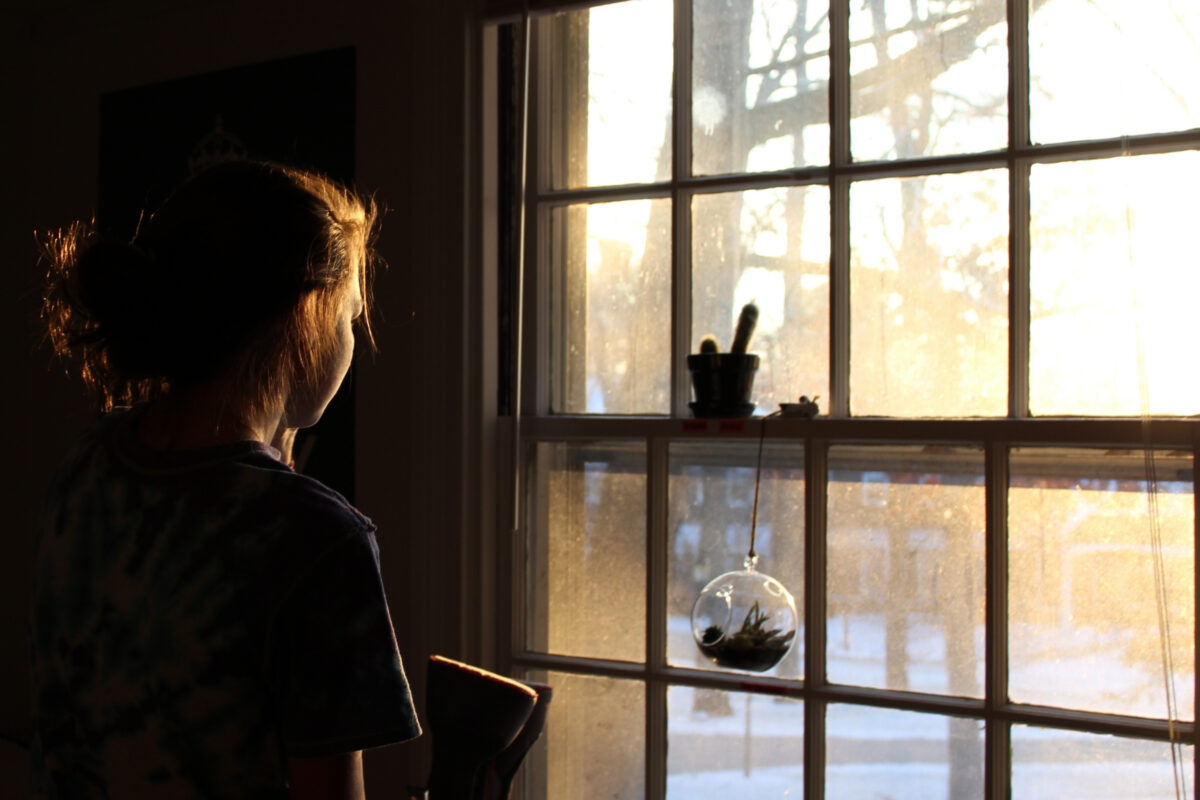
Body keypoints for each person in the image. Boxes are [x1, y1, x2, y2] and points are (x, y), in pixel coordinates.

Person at [31, 160, 421, 799]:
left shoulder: (88, 464)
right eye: (351, 316)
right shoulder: (318, 540)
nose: (354, 339)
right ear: (305, 315)